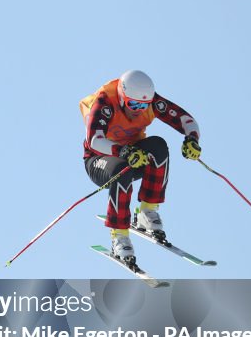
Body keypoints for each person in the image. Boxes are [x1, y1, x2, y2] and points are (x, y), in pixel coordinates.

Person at [81, 70, 201, 265]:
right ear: (122, 97)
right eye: (133, 104)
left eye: (143, 106)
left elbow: (186, 119)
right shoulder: (105, 102)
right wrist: (123, 152)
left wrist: (192, 139)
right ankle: (119, 235)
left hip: (133, 155)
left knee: (158, 146)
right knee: (121, 169)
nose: (138, 110)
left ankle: (147, 211)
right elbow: (94, 140)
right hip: (99, 161)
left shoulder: (152, 102)